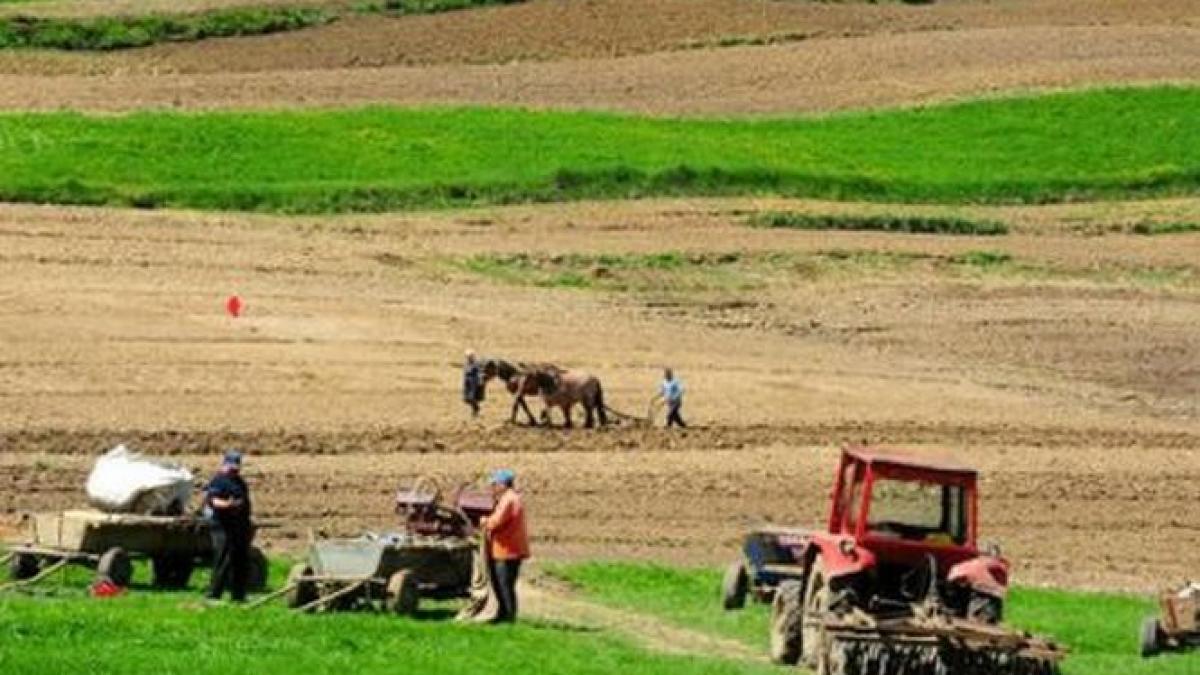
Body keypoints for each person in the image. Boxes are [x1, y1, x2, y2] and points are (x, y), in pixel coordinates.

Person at [203, 450, 253, 603]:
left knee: (240, 560)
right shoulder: (219, 480)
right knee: (224, 559)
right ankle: (214, 594)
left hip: (239, 526)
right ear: (225, 465)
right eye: (231, 467)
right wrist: (228, 505)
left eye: (236, 467)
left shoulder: (239, 481)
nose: (234, 470)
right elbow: (213, 501)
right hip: (223, 526)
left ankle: (239, 595)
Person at [480, 469, 529, 623]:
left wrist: (484, 521)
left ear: (503, 484)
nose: (493, 487)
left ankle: (508, 617)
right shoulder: (511, 499)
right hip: (507, 548)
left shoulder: (508, 500)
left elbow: (496, 522)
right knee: (501, 584)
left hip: (507, 550)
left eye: (495, 484)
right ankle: (503, 614)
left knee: (504, 585)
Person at [463, 350, 485, 418]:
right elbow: (465, 372)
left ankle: (476, 409)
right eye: (468, 357)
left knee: (472, 397)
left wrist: (480, 380)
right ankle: (475, 409)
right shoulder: (466, 363)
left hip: (474, 383)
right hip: (468, 382)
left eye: (470, 356)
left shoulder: (476, 364)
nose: (469, 358)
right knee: (467, 399)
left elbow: (479, 373)